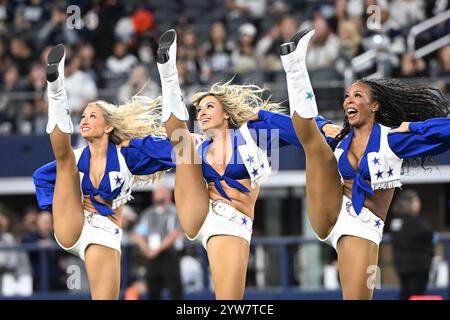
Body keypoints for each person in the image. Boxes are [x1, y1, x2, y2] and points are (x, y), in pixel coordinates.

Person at [155, 29, 333, 299]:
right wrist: (126, 146)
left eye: (209, 107)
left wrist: (319, 125)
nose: (202, 113)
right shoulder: (197, 145)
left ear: (226, 113)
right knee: (181, 144)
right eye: (199, 109)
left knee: (229, 300)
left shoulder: (252, 135)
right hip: (200, 212)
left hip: (233, 222)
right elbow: (153, 150)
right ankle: (167, 72)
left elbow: (301, 131)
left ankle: (294, 65)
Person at [278, 29, 450, 299]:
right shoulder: (339, 137)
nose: (349, 100)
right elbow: (292, 128)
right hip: (331, 209)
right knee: (312, 138)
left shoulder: (392, 140)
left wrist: (415, 126)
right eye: (347, 96)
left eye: (358, 96)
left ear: (375, 106)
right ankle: (294, 64)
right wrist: (260, 117)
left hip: (363, 225)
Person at [32, 44, 175, 299]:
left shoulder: (125, 156)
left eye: (92, 116)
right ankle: (55, 89)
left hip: (103, 231)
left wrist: (140, 143)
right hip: (71, 223)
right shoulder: (75, 157)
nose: (84, 120)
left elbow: (172, 152)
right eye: (83, 116)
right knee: (65, 161)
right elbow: (41, 177)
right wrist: (59, 204)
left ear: (108, 127)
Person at [133, 183, 184, 300]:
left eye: (161, 192)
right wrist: (145, 247)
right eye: (156, 193)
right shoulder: (148, 214)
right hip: (151, 256)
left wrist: (158, 248)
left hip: (169, 255)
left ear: (168, 195)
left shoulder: (174, 212)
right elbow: (138, 233)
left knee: (175, 290)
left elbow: (175, 233)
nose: (158, 196)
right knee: (152, 290)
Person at [390, 190, 435, 300]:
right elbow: (429, 233)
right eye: (416, 201)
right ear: (410, 203)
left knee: (405, 293)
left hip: (401, 265)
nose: (419, 203)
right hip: (418, 266)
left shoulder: (396, 221)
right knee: (415, 295)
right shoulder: (415, 222)